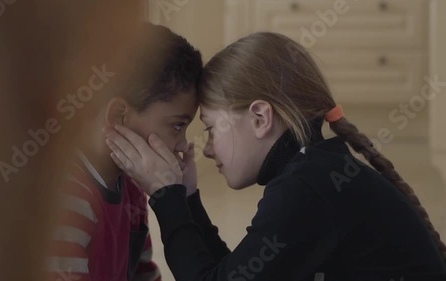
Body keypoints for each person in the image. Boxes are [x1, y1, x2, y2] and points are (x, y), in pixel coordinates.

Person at [103, 32, 446, 281]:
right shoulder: (319, 170)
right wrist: (189, 199)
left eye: (210, 129)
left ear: (260, 118)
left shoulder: (308, 187)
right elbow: (235, 274)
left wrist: (167, 198)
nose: (206, 149)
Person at [45, 23, 202, 281]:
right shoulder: (69, 200)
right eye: (177, 125)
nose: (184, 144)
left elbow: (143, 275)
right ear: (120, 116)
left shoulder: (132, 189)